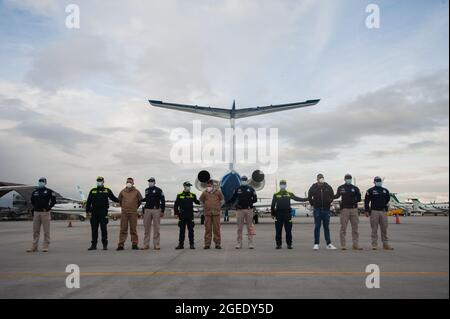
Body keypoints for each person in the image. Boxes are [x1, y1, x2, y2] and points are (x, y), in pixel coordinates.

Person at [271, 180, 308, 249]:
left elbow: (297, 198)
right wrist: (272, 213)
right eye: (281, 184)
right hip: (278, 214)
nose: (282, 185)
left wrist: (306, 199)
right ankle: (278, 244)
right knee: (278, 230)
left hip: (287, 214)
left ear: (286, 185)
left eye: (284, 184)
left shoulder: (289, 193)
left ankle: (289, 244)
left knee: (288, 230)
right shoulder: (276, 194)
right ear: (279, 185)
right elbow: (273, 205)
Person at [86, 176, 119, 251]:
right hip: (94, 212)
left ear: (103, 182)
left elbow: (113, 198)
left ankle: (105, 245)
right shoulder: (93, 190)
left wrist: (122, 200)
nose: (99, 182)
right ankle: (93, 245)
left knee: (104, 228)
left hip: (104, 212)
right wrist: (87, 211)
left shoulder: (107, 190)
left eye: (100, 181)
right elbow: (88, 202)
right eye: (98, 181)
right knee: (94, 229)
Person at [308, 174, 337, 250]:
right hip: (317, 209)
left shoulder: (327, 186)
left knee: (326, 227)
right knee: (317, 226)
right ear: (317, 179)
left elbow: (332, 195)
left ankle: (328, 244)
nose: (321, 179)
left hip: (326, 209)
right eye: (320, 178)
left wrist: (329, 202)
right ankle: (316, 244)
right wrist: (312, 204)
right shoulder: (313, 187)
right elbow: (309, 196)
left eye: (322, 178)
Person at [27, 177, 56, 253]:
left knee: (46, 230)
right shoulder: (35, 192)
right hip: (36, 212)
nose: (40, 183)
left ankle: (45, 246)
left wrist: (49, 207)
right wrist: (36, 207)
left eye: (42, 181)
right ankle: (34, 247)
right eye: (39, 181)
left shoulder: (49, 191)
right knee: (35, 231)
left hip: (45, 212)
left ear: (45, 183)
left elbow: (54, 201)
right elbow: (32, 201)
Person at [228, 176, 257, 249]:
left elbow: (255, 199)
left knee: (250, 227)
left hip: (249, 210)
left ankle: (250, 243)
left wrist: (249, 202)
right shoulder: (237, 189)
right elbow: (233, 198)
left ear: (247, 181)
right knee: (239, 228)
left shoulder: (251, 189)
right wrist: (227, 202)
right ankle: (239, 243)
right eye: (242, 180)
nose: (244, 181)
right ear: (240, 181)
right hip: (240, 210)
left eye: (245, 180)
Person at [334, 174, 363, 250]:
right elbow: (336, 196)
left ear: (351, 179)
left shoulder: (355, 188)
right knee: (343, 228)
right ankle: (343, 245)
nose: (348, 179)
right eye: (347, 178)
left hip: (354, 209)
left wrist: (353, 200)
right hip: (345, 210)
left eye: (349, 178)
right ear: (344, 179)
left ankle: (355, 245)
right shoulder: (341, 188)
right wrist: (329, 195)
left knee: (355, 228)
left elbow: (359, 198)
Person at [365, 176, 394, 250]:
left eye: (379, 181)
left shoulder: (385, 190)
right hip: (374, 211)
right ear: (374, 182)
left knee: (384, 229)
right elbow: (367, 201)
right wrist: (367, 210)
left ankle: (385, 244)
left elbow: (387, 199)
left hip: (383, 211)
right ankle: (374, 245)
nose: (378, 182)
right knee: (374, 229)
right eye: (377, 181)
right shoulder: (370, 190)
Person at [117, 177, 143, 251]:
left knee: (133, 229)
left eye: (130, 182)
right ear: (126, 183)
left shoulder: (137, 191)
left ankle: (134, 244)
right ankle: (121, 245)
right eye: (128, 182)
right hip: (124, 213)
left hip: (133, 213)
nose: (129, 183)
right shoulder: (122, 191)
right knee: (123, 229)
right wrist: (124, 207)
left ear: (133, 183)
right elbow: (119, 200)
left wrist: (135, 207)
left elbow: (140, 201)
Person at [174, 182, 200, 250]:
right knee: (182, 231)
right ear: (184, 186)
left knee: (191, 230)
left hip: (190, 215)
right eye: (188, 186)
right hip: (182, 215)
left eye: (190, 186)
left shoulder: (192, 195)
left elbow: (197, 202)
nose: (189, 187)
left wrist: (204, 199)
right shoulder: (179, 195)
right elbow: (176, 205)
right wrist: (176, 213)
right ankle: (181, 244)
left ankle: (191, 244)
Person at [142, 177, 165, 250]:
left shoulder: (159, 190)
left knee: (156, 228)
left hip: (156, 210)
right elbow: (146, 199)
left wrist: (162, 211)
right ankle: (146, 244)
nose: (150, 182)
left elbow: (163, 200)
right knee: (146, 228)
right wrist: (139, 200)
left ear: (154, 182)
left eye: (151, 181)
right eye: (149, 181)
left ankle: (156, 244)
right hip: (147, 210)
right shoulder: (146, 190)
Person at [199, 180, 224, 249]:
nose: (209, 187)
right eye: (208, 185)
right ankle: (207, 244)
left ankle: (217, 244)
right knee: (208, 229)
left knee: (216, 229)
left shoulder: (218, 192)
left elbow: (222, 200)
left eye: (210, 185)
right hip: (207, 214)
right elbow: (201, 200)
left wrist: (218, 206)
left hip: (216, 213)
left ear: (213, 185)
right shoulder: (204, 193)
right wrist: (204, 206)